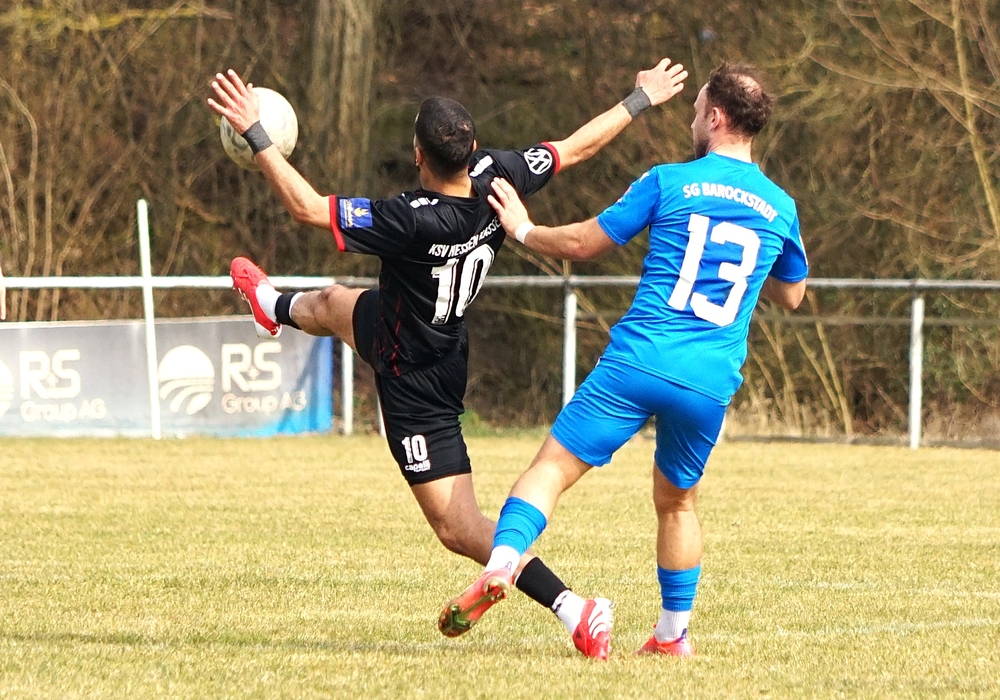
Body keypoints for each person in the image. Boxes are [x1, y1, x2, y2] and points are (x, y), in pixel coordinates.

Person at [207, 60, 688, 659]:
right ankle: (271, 305)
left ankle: (575, 608)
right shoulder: (496, 176)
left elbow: (307, 208)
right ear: (473, 148)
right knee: (332, 302)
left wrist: (255, 134)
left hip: (414, 375)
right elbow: (573, 148)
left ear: (417, 155)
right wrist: (639, 99)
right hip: (418, 328)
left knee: (457, 528)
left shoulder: (408, 220)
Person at [442, 63, 808, 658]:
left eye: (697, 111)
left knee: (552, 468)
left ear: (716, 118)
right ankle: (671, 636)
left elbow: (584, 242)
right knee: (678, 502)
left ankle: (501, 564)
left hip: (640, 360)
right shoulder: (781, 207)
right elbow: (792, 295)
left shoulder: (669, 181)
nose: (692, 121)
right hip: (708, 380)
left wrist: (524, 229)